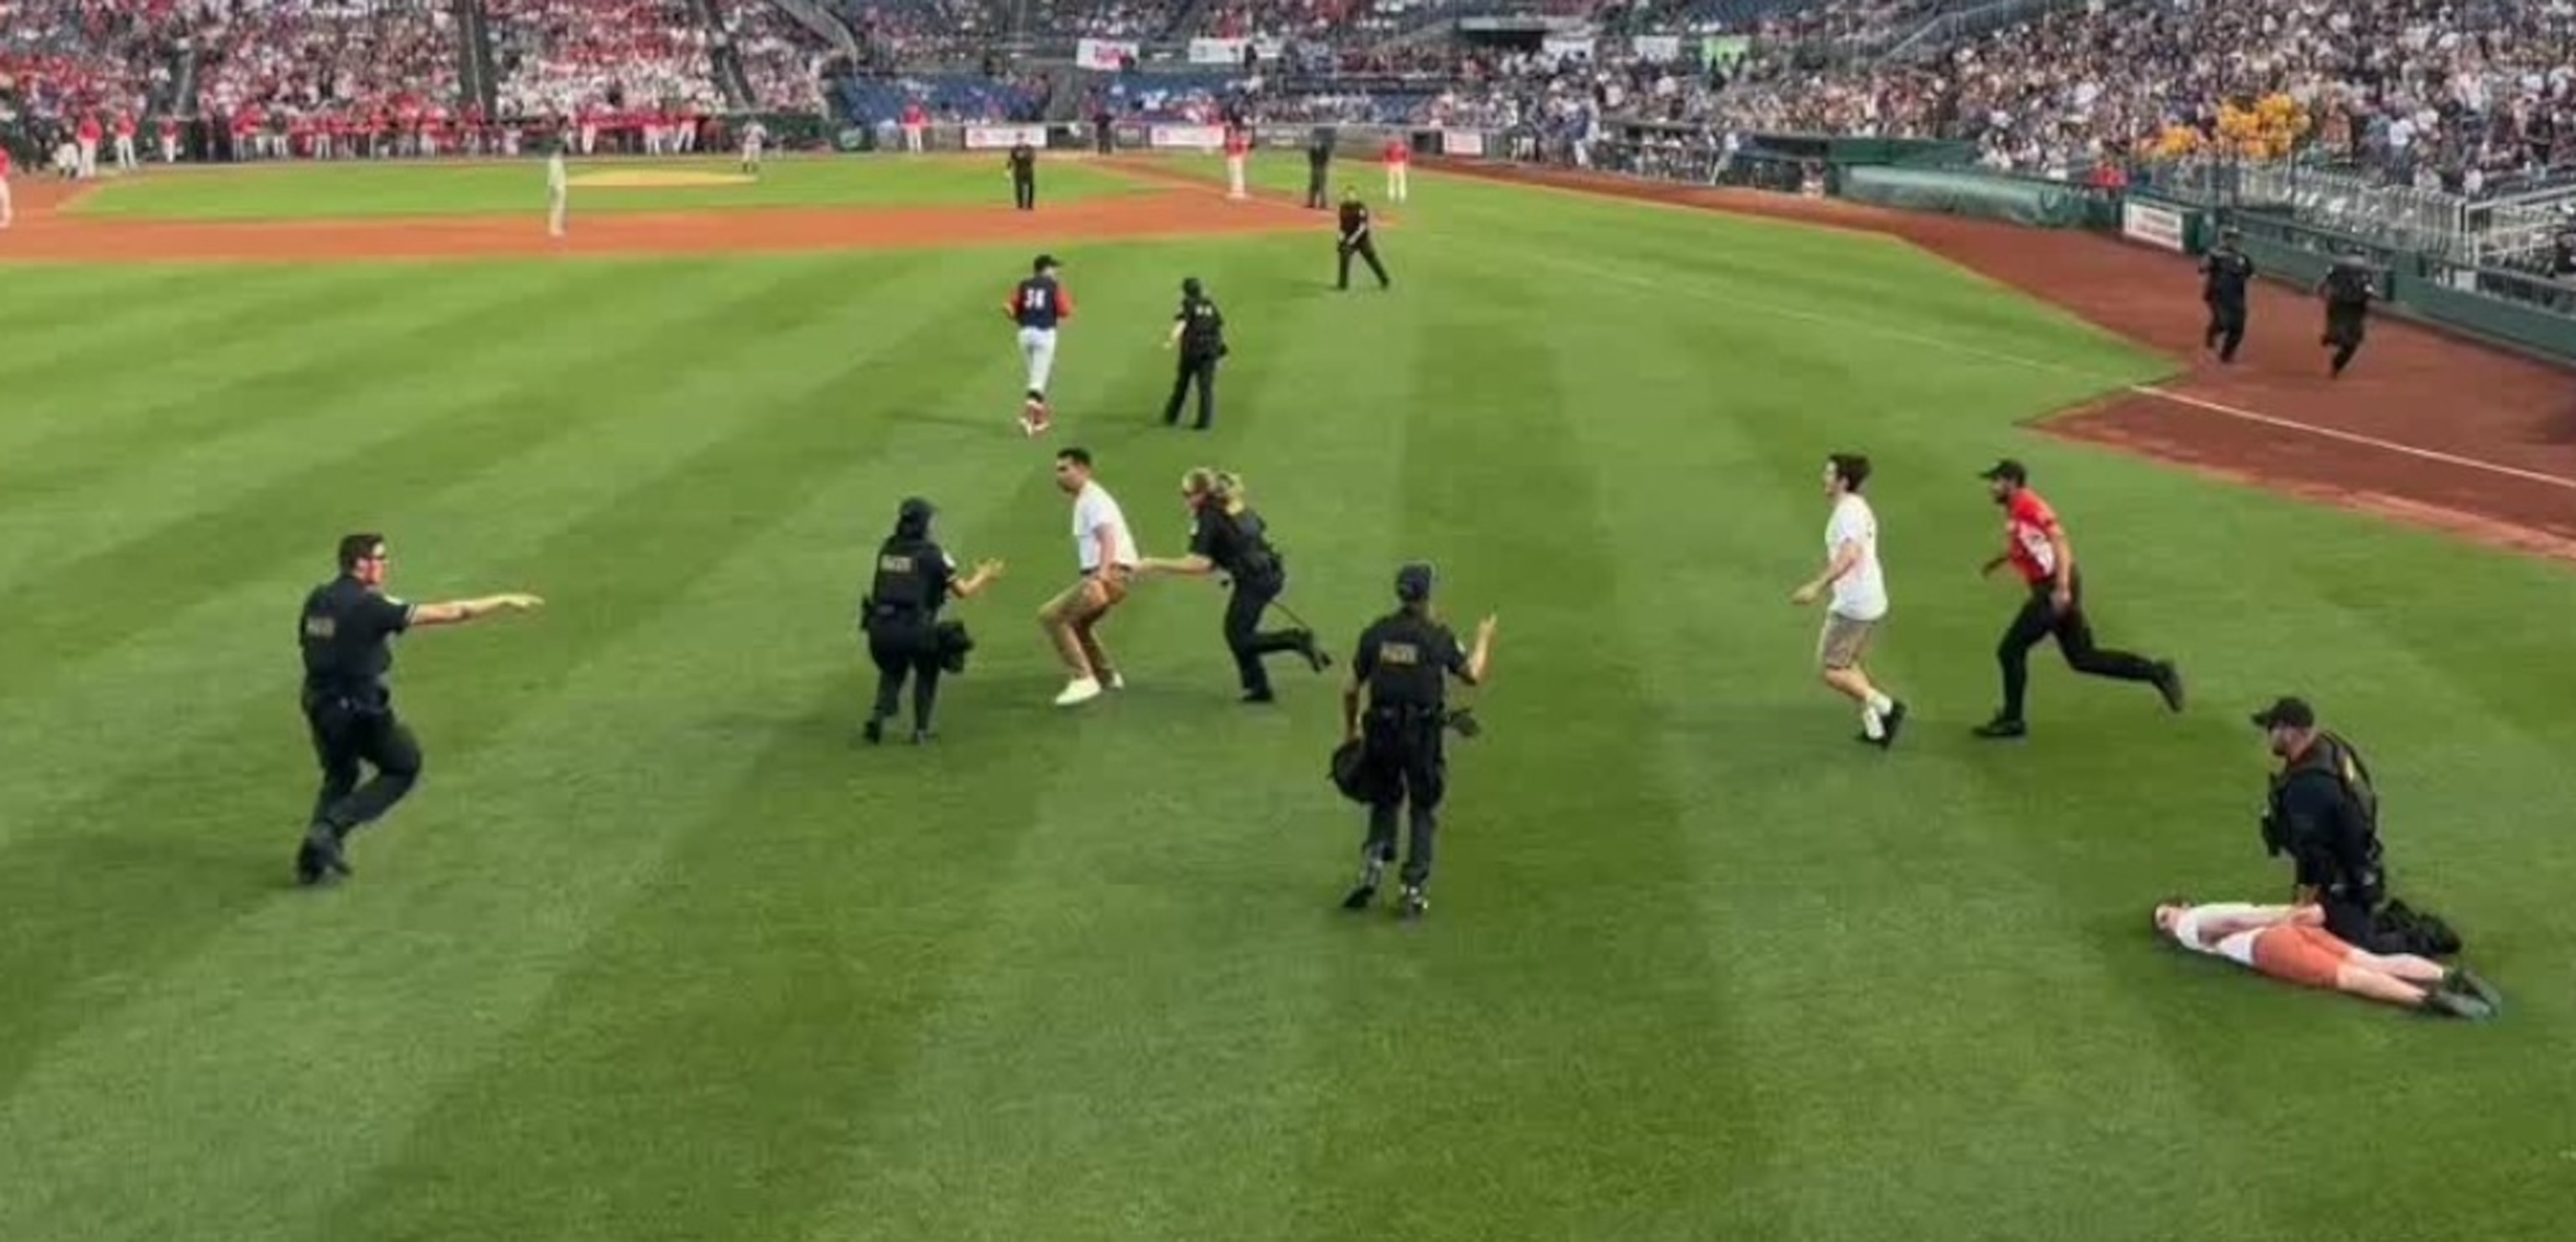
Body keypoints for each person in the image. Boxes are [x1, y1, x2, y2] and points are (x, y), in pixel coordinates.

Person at [293, 533, 544, 885]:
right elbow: (452, 612)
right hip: (358, 707)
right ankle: (329, 828)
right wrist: (502, 599)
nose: (386, 564)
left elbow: (309, 641)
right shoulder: (371, 607)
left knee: (341, 774)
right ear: (360, 563)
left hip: (318, 703)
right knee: (403, 765)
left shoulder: (318, 598)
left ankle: (312, 861)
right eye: (380, 558)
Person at [1973, 459, 2184, 738]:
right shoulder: (2015, 509)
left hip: (2054, 588)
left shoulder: (2029, 506)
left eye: (1996, 481)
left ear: (2011, 482)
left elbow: (2060, 542)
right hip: (2053, 586)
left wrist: (2062, 588)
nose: (1992, 488)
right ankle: (2157, 672)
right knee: (2083, 657)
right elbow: (2031, 543)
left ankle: (2013, 720)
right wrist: (2000, 560)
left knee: (2010, 650)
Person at [1340, 564, 1496, 918]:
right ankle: (1413, 888)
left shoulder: (1376, 633)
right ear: (1427, 595)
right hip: (1421, 734)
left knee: (1384, 797)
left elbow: (1350, 687)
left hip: (1380, 729)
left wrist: (1351, 731)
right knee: (1423, 806)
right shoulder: (1436, 636)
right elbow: (1472, 674)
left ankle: (1374, 858)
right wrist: (1484, 638)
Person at [1135, 469, 1330, 702]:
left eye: (1187, 493)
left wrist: (1153, 564)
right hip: (1268, 572)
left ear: (1201, 494)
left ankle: (1296, 640)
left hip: (1255, 580)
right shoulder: (1231, 505)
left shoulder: (1208, 516)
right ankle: (1258, 688)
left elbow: (1199, 563)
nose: (1184, 499)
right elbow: (1230, 548)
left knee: (1239, 636)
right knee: (1237, 632)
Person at [2152, 899, 2496, 1020]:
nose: (2167, 924)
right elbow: (2237, 918)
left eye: (2165, 915)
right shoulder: (2202, 912)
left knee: (2348, 976)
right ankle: (2449, 976)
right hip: (2289, 929)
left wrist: (2283, 918)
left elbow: (2230, 925)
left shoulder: (2189, 924)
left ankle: (2431, 1000)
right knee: (2371, 960)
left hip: (2271, 943)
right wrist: (2293, 914)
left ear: (2182, 906)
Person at [2251, 696, 2402, 949]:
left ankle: (2421, 937)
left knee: (2356, 948)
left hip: (2342, 881)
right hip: (2359, 864)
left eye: (2273, 729)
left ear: (2291, 733)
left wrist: (2305, 899)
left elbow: (2315, 852)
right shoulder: (2330, 744)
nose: (2270, 737)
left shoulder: (2308, 786)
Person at [860, 497, 1004, 745]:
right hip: (914, 627)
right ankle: (921, 731)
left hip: (880, 629)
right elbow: (963, 591)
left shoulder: (888, 548)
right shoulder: (933, 553)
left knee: (893, 668)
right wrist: (985, 576)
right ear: (924, 523)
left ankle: (879, 715)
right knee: (927, 668)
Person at [1789, 453, 1905, 747]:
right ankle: (1875, 728)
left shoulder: (1848, 514)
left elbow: (1850, 555)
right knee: (1848, 662)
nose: (1823, 478)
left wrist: (1816, 586)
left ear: (1843, 481)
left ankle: (1887, 708)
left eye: (1829, 473)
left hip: (1855, 605)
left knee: (1830, 668)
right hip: (1870, 599)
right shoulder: (1855, 506)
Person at [1039, 447, 1138, 706]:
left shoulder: (1092, 499)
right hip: (1118, 574)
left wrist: (1100, 576)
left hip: (1108, 573)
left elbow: (1107, 537)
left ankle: (1083, 679)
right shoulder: (1090, 498)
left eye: (1064, 469)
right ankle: (1106, 676)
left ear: (1083, 470)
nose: (1058, 475)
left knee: (1052, 616)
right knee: (1078, 624)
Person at [1007, 253, 1073, 435]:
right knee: (1038, 381)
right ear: (1045, 269)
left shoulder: (1024, 284)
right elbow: (1065, 310)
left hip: (1024, 335)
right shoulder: (1053, 286)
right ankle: (1026, 416)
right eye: (1054, 267)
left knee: (1041, 374)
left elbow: (1010, 308)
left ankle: (1039, 419)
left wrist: (1021, 316)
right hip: (1045, 336)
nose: (1056, 271)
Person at [1161, 276, 1227, 429]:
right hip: (1210, 351)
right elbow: (1217, 328)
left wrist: (1171, 340)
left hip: (1192, 351)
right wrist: (1221, 350)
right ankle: (1204, 422)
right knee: (1206, 388)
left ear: (1186, 291)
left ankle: (1171, 416)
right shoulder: (1210, 305)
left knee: (1182, 385)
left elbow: (1182, 323)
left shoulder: (1188, 304)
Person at [2317, 254, 2377, 378]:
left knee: (2345, 334)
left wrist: (2321, 289)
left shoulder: (2339, 265)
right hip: (2352, 305)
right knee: (2351, 339)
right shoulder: (2366, 269)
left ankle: (2332, 339)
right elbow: (2369, 289)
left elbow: (2326, 279)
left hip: (2343, 303)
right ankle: (2335, 347)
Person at [2200, 227, 2254, 363]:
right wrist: (2209, 263)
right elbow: (2202, 268)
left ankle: (2226, 356)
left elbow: (2250, 274)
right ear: (2224, 239)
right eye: (2230, 238)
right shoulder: (2214, 253)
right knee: (2224, 322)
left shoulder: (2243, 257)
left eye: (2236, 239)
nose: (2234, 242)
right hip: (2217, 295)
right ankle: (2211, 334)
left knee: (2238, 328)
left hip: (2237, 297)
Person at [1335, 186, 1389, 291]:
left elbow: (1363, 226)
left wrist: (1353, 238)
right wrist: (1340, 237)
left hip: (1362, 239)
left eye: (1351, 195)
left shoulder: (1361, 208)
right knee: (1344, 257)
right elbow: (1342, 225)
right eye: (1347, 195)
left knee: (1372, 259)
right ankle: (1343, 284)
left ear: (1356, 196)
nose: (1349, 197)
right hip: (1349, 237)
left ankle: (1384, 280)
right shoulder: (1343, 207)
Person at [1305, 127, 1332, 208]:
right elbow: (1310, 157)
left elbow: (1326, 157)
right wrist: (1313, 165)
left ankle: (1323, 204)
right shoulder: (1312, 148)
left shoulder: (1324, 148)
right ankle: (1311, 202)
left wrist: (1322, 165)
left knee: (1322, 186)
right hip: (1314, 167)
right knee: (1313, 185)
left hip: (1321, 168)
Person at [1007, 138, 1037, 210]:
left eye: (1022, 139)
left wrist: (1024, 156)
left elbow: (1033, 158)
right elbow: (1011, 160)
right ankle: (1020, 205)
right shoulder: (1014, 149)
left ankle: (1030, 205)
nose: (1021, 141)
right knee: (1019, 188)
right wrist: (1008, 170)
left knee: (1030, 187)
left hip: (1028, 170)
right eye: (1019, 139)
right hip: (1018, 170)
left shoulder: (1030, 148)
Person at [546, 140, 568, 238]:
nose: (562, 152)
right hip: (557, 187)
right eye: (560, 151)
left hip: (559, 186)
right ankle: (555, 229)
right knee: (557, 208)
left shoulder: (556, 160)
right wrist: (552, 188)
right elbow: (553, 176)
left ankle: (557, 227)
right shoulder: (554, 161)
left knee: (559, 208)